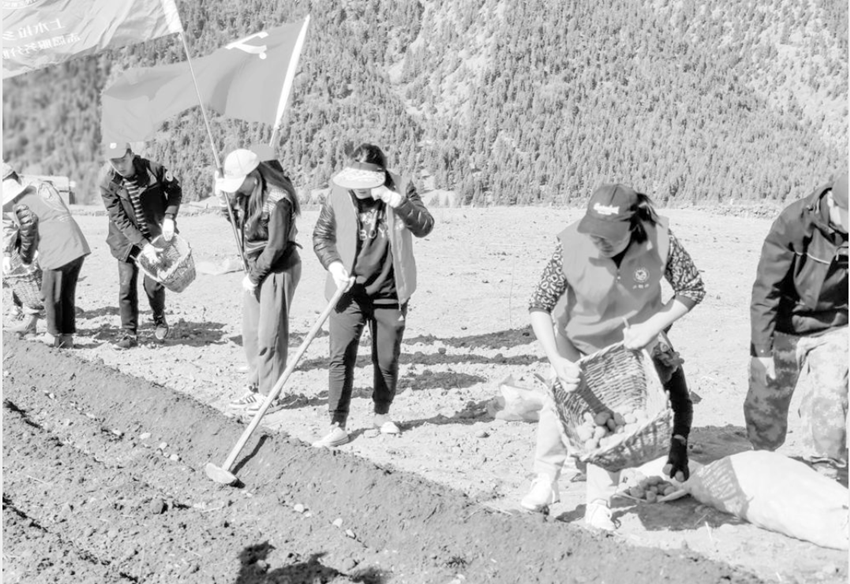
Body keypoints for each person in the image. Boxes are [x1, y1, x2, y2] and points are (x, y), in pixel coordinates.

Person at [520, 183, 705, 530]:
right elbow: (539, 305)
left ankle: (599, 502)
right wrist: (557, 360)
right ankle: (545, 479)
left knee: (614, 420)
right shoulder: (572, 244)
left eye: (610, 236)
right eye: (595, 233)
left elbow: (692, 288)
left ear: (633, 226)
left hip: (627, 346)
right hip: (575, 339)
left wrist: (653, 327)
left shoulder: (660, 241)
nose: (600, 241)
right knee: (558, 404)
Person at [311, 143, 434, 448]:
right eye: (355, 182)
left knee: (387, 358)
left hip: (391, 292)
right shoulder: (339, 193)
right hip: (348, 292)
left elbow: (424, 226)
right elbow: (321, 236)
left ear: (381, 177)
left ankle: (382, 414)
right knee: (340, 357)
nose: (359, 189)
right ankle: (337, 424)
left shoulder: (401, 187)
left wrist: (396, 201)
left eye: (365, 183)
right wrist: (334, 264)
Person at [744, 169, 848, 482]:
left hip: (834, 325)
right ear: (833, 204)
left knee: (830, 399)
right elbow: (766, 290)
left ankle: (826, 473)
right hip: (785, 325)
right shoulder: (794, 222)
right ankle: (762, 462)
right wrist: (761, 351)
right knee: (766, 405)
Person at [215, 148, 302, 415]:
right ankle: (255, 386)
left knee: (270, 334)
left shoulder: (279, 200)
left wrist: (254, 277)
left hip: (278, 270)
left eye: (238, 183)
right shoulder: (247, 194)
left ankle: (270, 394)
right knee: (252, 334)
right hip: (256, 269)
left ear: (254, 176)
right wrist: (224, 202)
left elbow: (275, 246)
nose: (236, 189)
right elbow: (238, 222)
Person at [99, 142, 182, 349]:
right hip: (125, 240)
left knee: (153, 284)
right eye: (114, 161)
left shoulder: (153, 169)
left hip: (156, 235)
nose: (119, 165)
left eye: (122, 160)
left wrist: (169, 217)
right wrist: (143, 245)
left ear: (131, 154)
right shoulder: (108, 183)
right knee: (126, 285)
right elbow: (119, 219)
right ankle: (129, 333)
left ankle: (159, 319)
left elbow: (175, 191)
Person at [2, 163, 90, 347]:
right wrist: (9, 252)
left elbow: (28, 230)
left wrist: (26, 259)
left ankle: (52, 335)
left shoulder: (20, 205)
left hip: (57, 249)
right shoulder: (36, 193)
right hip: (76, 246)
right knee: (66, 295)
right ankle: (67, 337)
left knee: (49, 295)